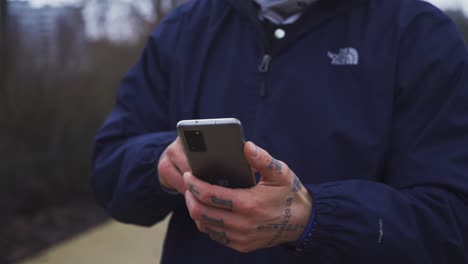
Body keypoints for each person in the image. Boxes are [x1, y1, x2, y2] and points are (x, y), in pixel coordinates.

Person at [92, 0, 468, 263]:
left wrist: (314, 217)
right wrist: (160, 164)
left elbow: (451, 223)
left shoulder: (419, 34)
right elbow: (108, 169)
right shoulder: (184, 29)